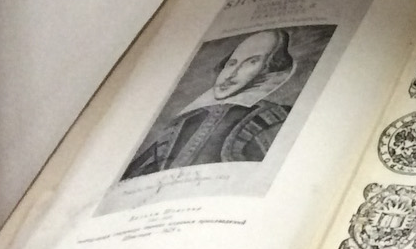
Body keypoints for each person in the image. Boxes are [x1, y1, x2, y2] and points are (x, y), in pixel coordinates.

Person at [121, 28, 298, 177]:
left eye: (251, 62)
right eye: (231, 63)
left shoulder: (275, 117)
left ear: (272, 67)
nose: (232, 74)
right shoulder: (183, 122)